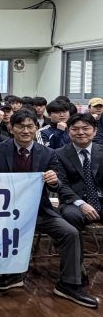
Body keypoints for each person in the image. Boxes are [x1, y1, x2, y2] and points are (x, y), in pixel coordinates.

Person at [0, 109, 96, 308]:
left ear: (37, 128)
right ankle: (11, 275)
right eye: (20, 126)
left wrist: (53, 181)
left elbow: (58, 185)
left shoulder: (48, 153)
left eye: (30, 126)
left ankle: (68, 284)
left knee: (69, 232)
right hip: (3, 212)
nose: (25, 131)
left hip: (38, 211)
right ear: (11, 128)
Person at [55, 113, 102, 292]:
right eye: (75, 129)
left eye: (85, 128)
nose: (80, 132)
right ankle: (77, 266)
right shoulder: (59, 154)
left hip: (100, 200)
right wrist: (80, 203)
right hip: (74, 203)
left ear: (94, 131)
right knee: (69, 217)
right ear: (68, 132)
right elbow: (61, 185)